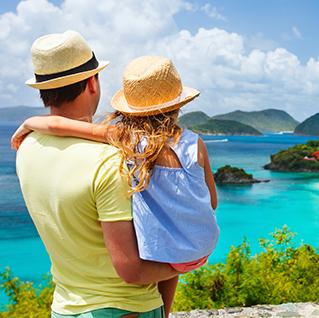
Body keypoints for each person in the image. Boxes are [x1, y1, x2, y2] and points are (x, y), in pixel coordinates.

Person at [13, 55, 220, 316]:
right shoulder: (186, 145)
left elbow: (62, 125)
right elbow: (211, 202)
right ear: (92, 83)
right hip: (177, 267)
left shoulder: (30, 149)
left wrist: (30, 123)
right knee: (167, 236)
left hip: (66, 306)